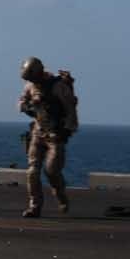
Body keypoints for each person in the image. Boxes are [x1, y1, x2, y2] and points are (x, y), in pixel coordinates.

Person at [18, 57, 79, 217]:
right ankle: (34, 206)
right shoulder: (30, 86)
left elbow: (70, 108)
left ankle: (61, 196)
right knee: (32, 171)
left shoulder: (58, 86)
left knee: (52, 171)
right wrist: (26, 106)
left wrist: (68, 130)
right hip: (38, 132)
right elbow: (22, 101)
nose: (32, 81)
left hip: (55, 134)